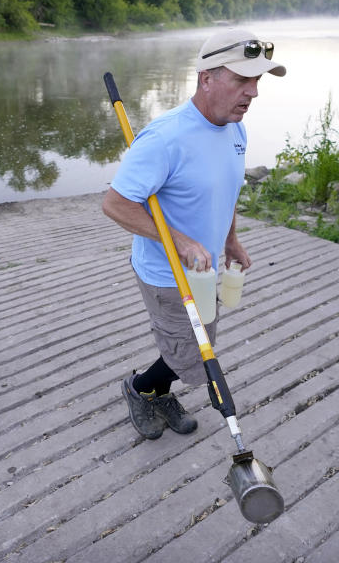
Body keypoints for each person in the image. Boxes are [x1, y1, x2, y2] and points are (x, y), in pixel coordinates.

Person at [102, 28, 286, 440]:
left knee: (192, 341)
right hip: (166, 272)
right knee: (189, 352)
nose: (253, 92)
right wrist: (179, 240)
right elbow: (115, 204)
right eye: (242, 80)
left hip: (204, 269)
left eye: (257, 81)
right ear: (207, 79)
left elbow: (227, 190)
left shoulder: (236, 128)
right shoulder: (165, 138)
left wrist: (230, 240)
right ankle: (140, 389)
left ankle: (154, 390)